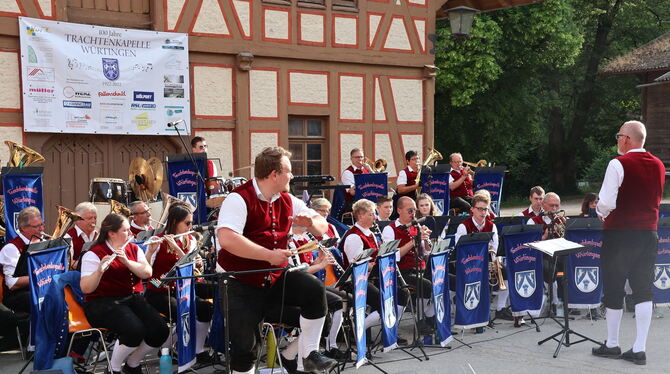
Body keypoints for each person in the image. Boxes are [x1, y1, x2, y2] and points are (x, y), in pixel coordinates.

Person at [216, 146, 336, 374]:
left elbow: (323, 226)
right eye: (288, 171)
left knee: (313, 289)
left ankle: (310, 354)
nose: (292, 176)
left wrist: (310, 223)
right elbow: (227, 238)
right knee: (246, 350)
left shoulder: (288, 199)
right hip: (240, 282)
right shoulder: (238, 198)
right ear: (274, 174)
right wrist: (268, 255)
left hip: (275, 278)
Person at [592, 120, 665, 365]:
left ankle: (612, 343)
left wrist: (600, 213)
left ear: (627, 139)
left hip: (620, 233)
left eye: (618, 136)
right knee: (643, 289)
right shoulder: (657, 164)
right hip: (648, 234)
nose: (617, 140)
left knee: (614, 288)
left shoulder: (618, 164)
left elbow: (606, 202)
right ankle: (639, 348)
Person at [80, 213, 169, 374]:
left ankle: (132, 364)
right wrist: (99, 271)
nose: (131, 234)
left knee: (160, 330)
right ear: (111, 233)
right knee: (134, 330)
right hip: (102, 302)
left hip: (131, 299)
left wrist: (127, 262)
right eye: (126, 231)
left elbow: (147, 273)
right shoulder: (93, 253)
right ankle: (113, 368)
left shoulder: (133, 249)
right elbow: (86, 288)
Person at [144, 204, 214, 364]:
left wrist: (198, 263)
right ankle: (166, 350)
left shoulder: (190, 239)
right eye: (187, 223)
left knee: (205, 309)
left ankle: (199, 350)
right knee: (183, 312)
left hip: (183, 288)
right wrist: (149, 251)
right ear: (175, 222)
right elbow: (146, 269)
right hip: (158, 290)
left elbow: (189, 265)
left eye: (191, 223)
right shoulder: (159, 240)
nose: (190, 226)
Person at [339, 199, 410, 342]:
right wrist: (379, 263)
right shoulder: (354, 236)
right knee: (384, 301)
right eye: (371, 215)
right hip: (356, 281)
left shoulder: (370, 233)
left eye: (374, 214)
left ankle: (389, 329)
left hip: (373, 277)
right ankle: (358, 328)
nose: (375, 218)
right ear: (360, 216)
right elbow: (358, 265)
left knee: (403, 294)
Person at [454, 194, 519, 327]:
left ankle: (500, 308)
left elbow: (494, 249)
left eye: (485, 209)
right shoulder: (463, 226)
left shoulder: (491, 226)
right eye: (480, 209)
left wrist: (494, 263)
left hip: (486, 262)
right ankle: (473, 311)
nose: (483, 213)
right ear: (472, 209)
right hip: (468, 264)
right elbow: (459, 249)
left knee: (505, 273)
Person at [381, 196, 434, 334]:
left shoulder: (416, 226)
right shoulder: (390, 229)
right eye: (410, 211)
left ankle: (430, 317)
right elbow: (393, 256)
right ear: (399, 210)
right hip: (401, 271)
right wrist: (413, 241)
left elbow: (426, 252)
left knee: (441, 279)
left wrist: (426, 240)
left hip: (420, 267)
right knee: (426, 285)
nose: (413, 214)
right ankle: (421, 319)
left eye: (414, 211)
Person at [527, 192, 566, 315]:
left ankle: (569, 302)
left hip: (559, 254)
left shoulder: (562, 220)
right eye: (551, 205)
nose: (554, 209)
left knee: (571, 266)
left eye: (557, 206)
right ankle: (554, 303)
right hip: (541, 256)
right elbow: (529, 245)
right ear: (543, 205)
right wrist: (544, 236)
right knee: (550, 270)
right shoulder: (533, 221)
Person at [0, 207, 45, 314]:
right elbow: (12, 283)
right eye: (37, 226)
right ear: (23, 228)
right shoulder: (11, 248)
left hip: (38, 289)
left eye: (42, 224)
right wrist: (41, 276)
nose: (42, 229)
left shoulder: (43, 242)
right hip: (18, 295)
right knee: (43, 299)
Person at [64, 202, 98, 268]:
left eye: (95, 218)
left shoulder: (98, 234)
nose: (93, 221)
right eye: (89, 218)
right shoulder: (68, 237)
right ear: (77, 220)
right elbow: (68, 263)